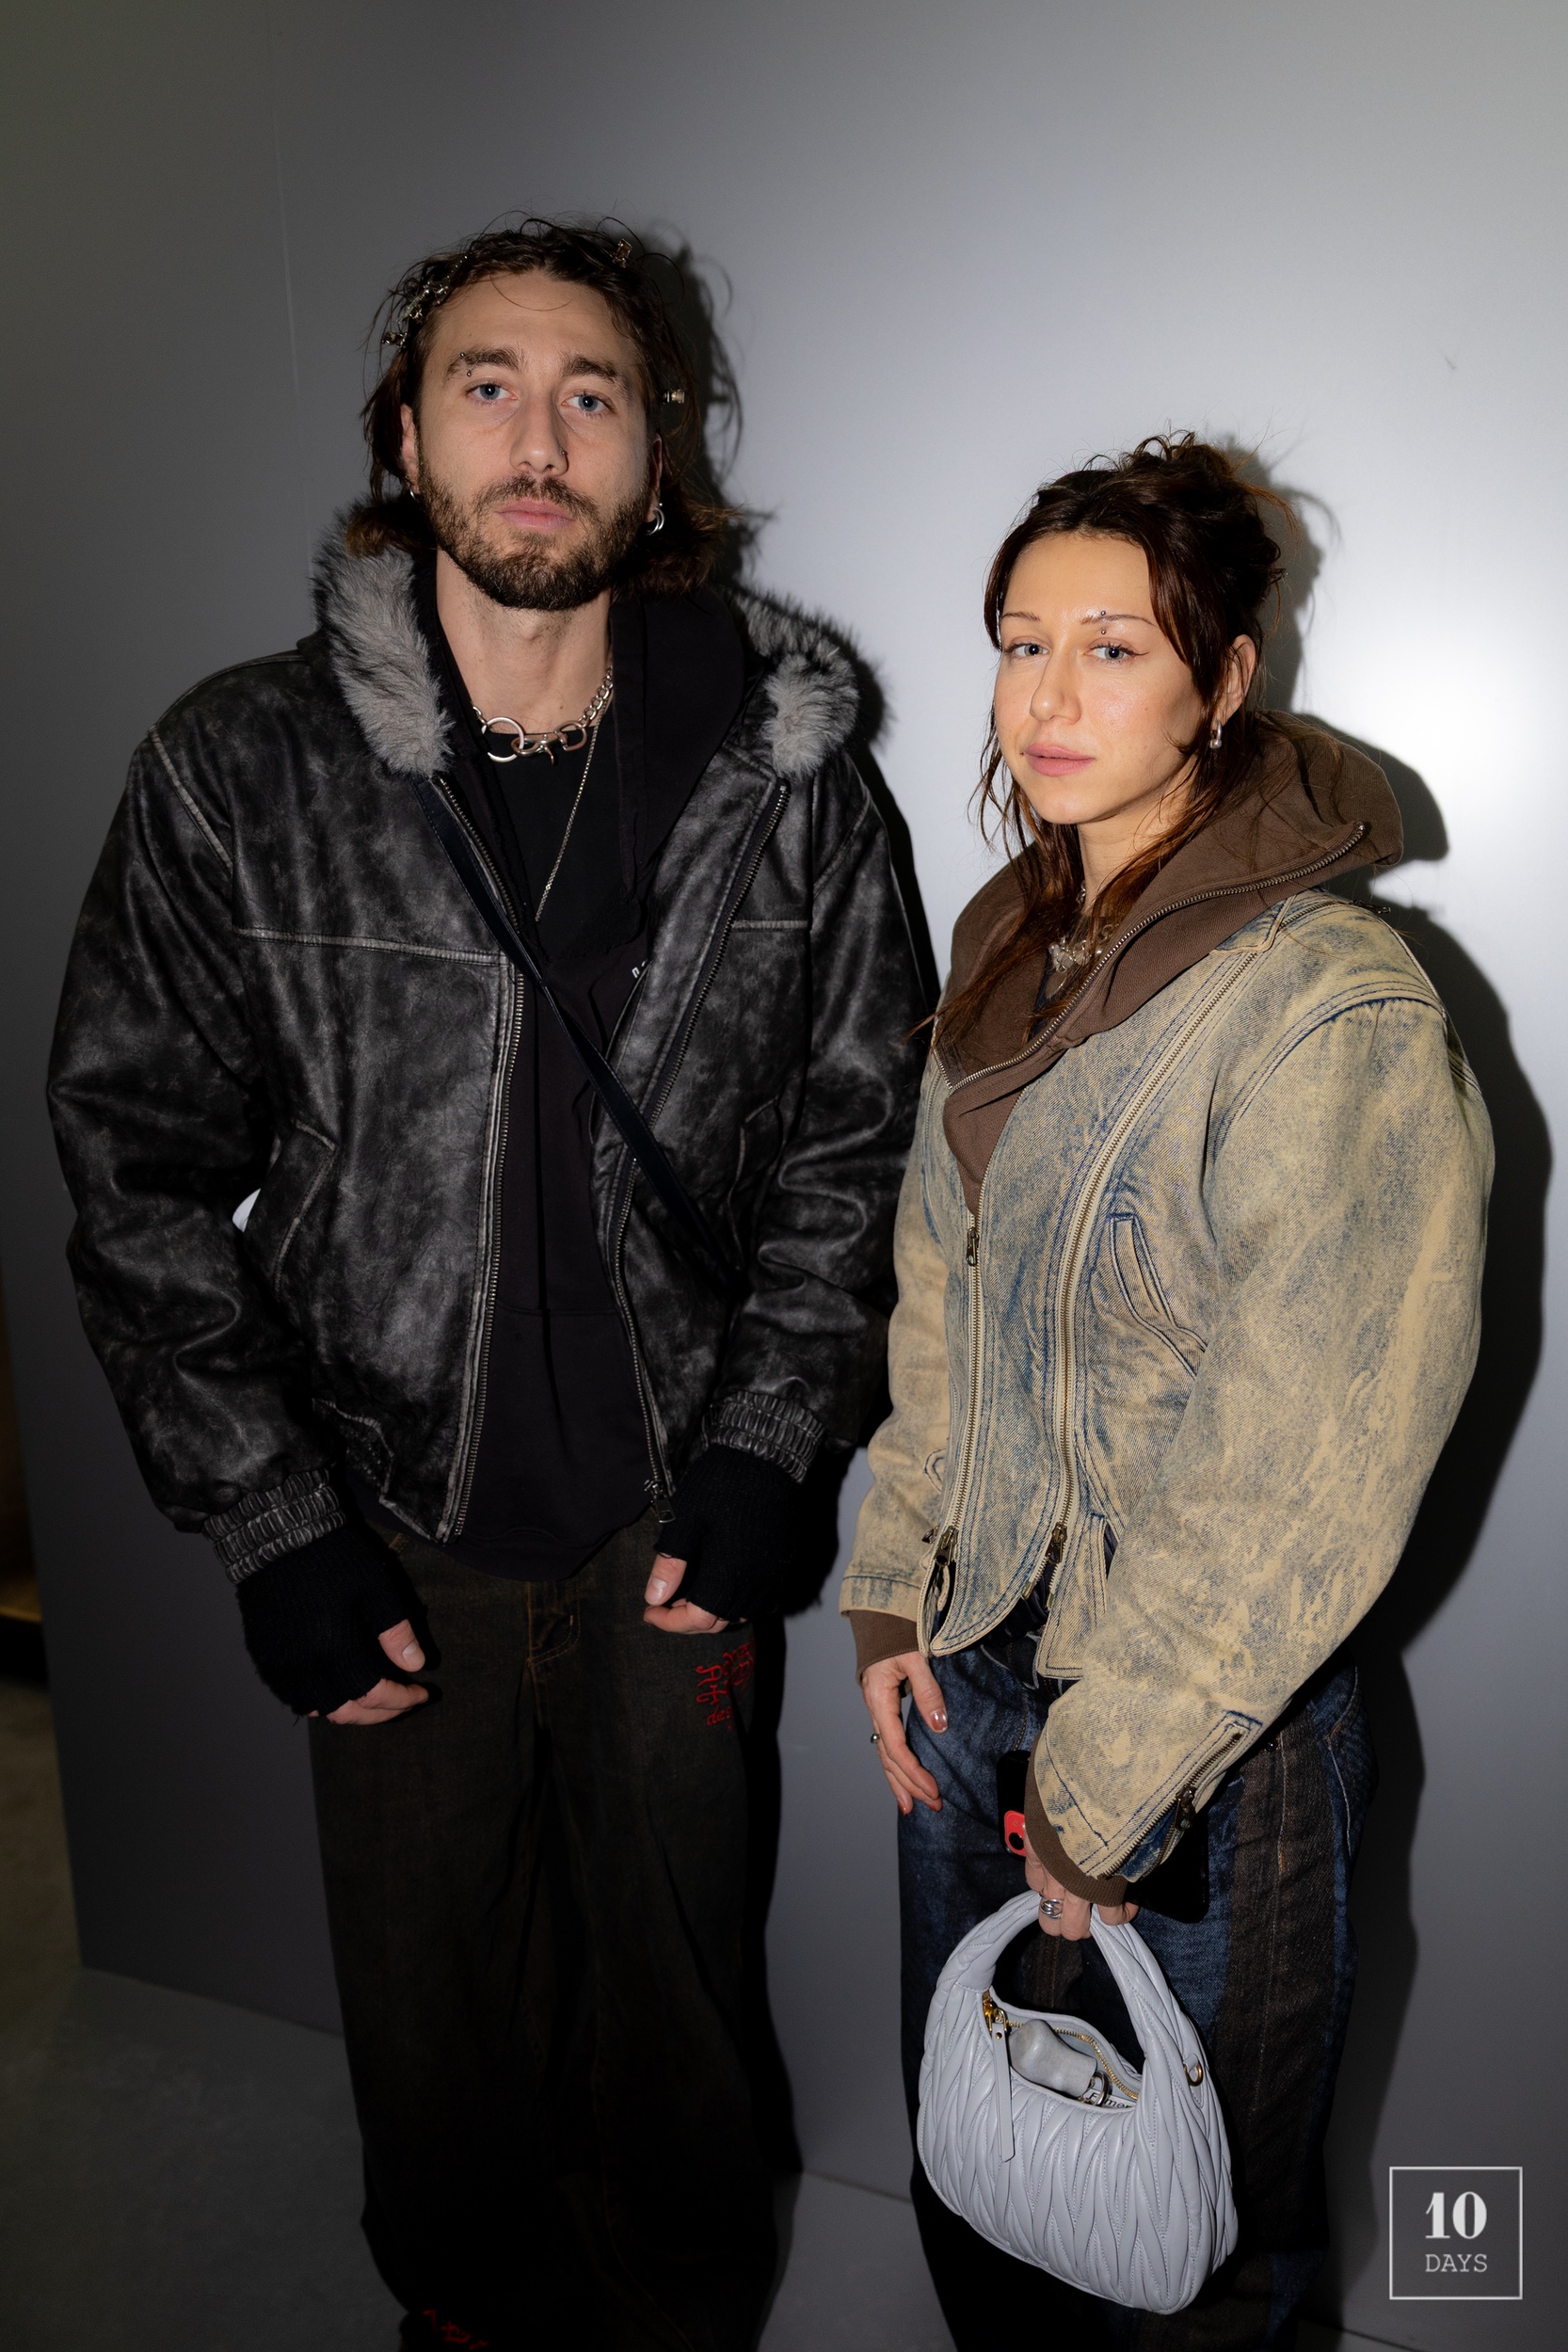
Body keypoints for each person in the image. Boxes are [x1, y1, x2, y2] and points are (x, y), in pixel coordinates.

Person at [49, 219, 924, 2352]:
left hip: (672, 1513)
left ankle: (681, 2313)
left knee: (677, 1991)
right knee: (430, 2006)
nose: (539, 437)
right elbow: (135, 1160)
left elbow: (860, 1143)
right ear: (405, 436)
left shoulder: (784, 780)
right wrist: (272, 1522)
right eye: (486, 384)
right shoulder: (240, 768)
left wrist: (766, 1450)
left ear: (656, 451)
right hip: (383, 1510)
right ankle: (463, 2315)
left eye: (590, 393)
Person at [840, 437, 1490, 2349]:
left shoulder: (1331, 1004)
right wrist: (893, 1585)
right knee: (991, 2172)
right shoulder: (1011, 943)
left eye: (1110, 647)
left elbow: (1307, 1463)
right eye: (1018, 642)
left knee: (1191, 2246)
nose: (1045, 694)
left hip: (1200, 1742)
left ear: (1222, 680)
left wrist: (1103, 1789)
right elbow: (941, 1299)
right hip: (969, 1679)